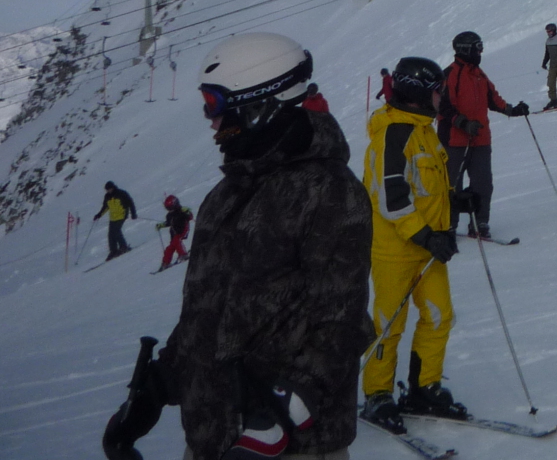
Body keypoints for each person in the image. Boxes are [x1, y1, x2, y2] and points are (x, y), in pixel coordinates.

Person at [100, 32, 371, 460]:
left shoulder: (329, 191)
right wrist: (159, 384)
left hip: (290, 445)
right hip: (213, 435)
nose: (210, 119)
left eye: (215, 104)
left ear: (257, 104)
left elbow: (342, 322)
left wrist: (284, 417)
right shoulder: (226, 195)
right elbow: (210, 310)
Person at [360, 56, 467, 432]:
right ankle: (377, 394)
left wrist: (457, 201)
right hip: (395, 250)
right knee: (389, 325)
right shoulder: (394, 133)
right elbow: (391, 199)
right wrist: (427, 236)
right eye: (438, 91)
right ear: (419, 94)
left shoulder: (424, 129)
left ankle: (424, 388)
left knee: (439, 316)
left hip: (427, 248)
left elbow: (428, 185)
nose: (443, 98)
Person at [438, 30, 529, 240]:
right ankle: (447, 225)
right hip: (454, 141)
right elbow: (443, 106)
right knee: (451, 184)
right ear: (465, 50)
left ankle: (480, 222)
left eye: (480, 47)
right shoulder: (450, 74)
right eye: (477, 48)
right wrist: (462, 123)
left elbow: (493, 99)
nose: (480, 52)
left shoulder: (479, 74)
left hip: (480, 140)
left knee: (483, 183)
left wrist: (512, 110)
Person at [94, 181, 137, 261]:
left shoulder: (121, 193)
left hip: (122, 215)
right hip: (113, 217)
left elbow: (130, 203)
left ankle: (123, 246)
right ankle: (113, 250)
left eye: (109, 189)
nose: (108, 191)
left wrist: (133, 213)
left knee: (116, 231)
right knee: (110, 234)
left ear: (113, 187)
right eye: (107, 190)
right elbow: (105, 207)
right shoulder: (107, 196)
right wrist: (99, 215)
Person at [157, 195, 192, 271]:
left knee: (177, 240)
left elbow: (190, 217)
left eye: (170, 208)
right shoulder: (169, 215)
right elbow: (168, 223)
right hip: (174, 233)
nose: (169, 210)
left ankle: (183, 254)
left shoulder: (181, 211)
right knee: (169, 248)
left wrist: (187, 211)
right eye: (167, 208)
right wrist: (161, 225)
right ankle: (165, 262)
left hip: (183, 230)